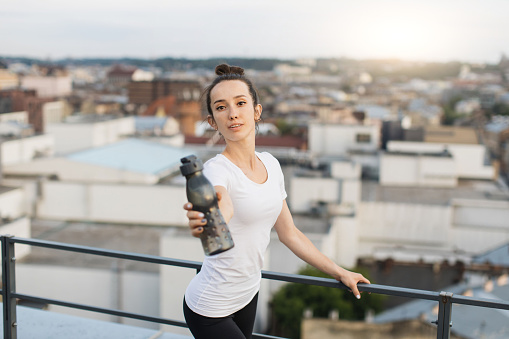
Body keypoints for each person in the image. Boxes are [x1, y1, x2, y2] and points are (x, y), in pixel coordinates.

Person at [182, 64, 370, 339]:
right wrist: (211, 217)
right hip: (210, 307)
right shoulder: (216, 170)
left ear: (256, 111)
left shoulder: (271, 164)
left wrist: (340, 272)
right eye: (221, 107)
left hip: (248, 295)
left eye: (241, 103)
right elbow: (222, 204)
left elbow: (289, 233)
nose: (233, 113)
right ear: (213, 121)